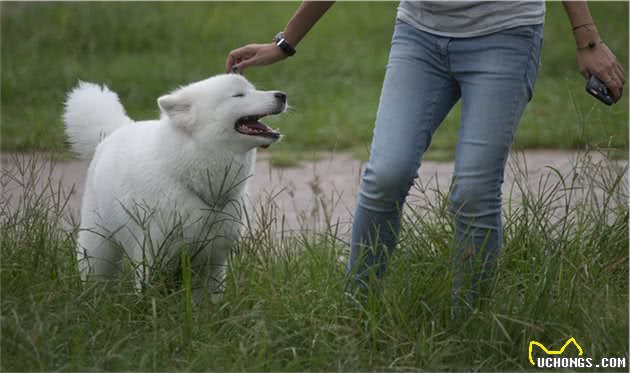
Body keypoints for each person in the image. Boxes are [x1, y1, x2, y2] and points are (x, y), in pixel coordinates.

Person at [226, 1, 625, 316]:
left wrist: (587, 39)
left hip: (507, 37)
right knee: (385, 175)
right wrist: (284, 43)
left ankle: (470, 323)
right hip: (420, 37)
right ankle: (354, 313)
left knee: (473, 190)